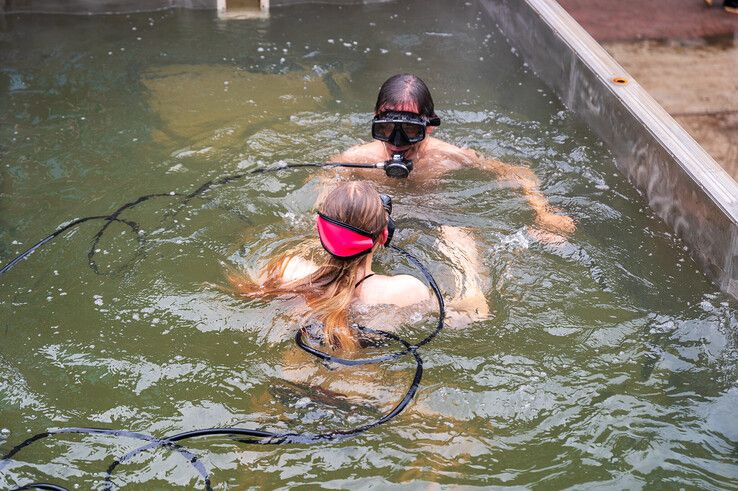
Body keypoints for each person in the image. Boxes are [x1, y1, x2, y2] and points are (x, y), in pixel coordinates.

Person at [331, 73, 576, 238]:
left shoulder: (449, 157)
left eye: (410, 131)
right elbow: (329, 176)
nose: (396, 143)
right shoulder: (359, 158)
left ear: (430, 126)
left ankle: (470, 299)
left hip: (436, 219)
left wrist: (544, 211)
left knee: (457, 235)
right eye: (386, 129)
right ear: (375, 120)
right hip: (374, 223)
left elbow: (517, 172)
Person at [228, 180, 430, 351]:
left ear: (321, 230)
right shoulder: (404, 290)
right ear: (385, 235)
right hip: (361, 392)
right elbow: (458, 317)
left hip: (289, 383)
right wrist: (461, 249)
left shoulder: (288, 269)